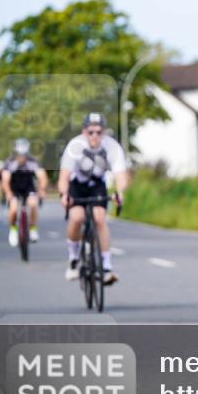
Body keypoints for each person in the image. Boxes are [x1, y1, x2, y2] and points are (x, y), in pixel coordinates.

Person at [58, 113, 128, 285]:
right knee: (76, 217)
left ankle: (106, 267)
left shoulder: (111, 146)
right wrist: (64, 194)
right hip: (77, 185)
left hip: (97, 184)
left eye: (98, 132)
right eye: (91, 132)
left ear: (103, 132)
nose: (95, 136)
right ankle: (74, 259)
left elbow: (121, 175)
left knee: (100, 218)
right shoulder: (75, 146)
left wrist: (119, 192)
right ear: (84, 132)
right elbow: (64, 176)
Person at [0, 139, 48, 246]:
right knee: (13, 208)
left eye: (24, 155)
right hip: (14, 189)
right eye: (19, 155)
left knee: (33, 204)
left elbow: (42, 177)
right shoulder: (9, 162)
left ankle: (33, 229)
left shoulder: (33, 162)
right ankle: (13, 230)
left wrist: (42, 190)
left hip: (28, 187)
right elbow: (5, 180)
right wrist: (8, 193)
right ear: (15, 153)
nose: (21, 157)